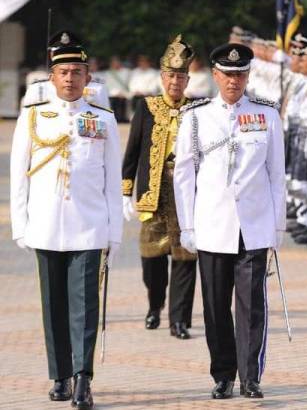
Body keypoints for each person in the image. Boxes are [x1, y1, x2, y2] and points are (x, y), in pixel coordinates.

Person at [10, 30, 122, 410]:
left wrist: (114, 232)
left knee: (85, 306)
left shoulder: (103, 120)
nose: (70, 78)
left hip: (89, 227)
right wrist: (20, 226)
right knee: (53, 305)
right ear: (52, 77)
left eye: (77, 71)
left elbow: (112, 181)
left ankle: (82, 379)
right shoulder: (32, 117)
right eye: (64, 72)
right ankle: (58, 374)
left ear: (88, 77)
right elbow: (17, 174)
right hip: (44, 226)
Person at [173, 43, 286, 399]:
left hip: (252, 226)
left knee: (252, 307)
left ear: (248, 75)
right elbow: (184, 174)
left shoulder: (266, 115)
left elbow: (276, 175)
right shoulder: (196, 117)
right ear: (215, 75)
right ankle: (223, 373)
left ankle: (250, 375)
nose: (233, 81)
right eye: (227, 74)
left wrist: (277, 226)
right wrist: (187, 226)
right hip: (212, 226)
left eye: (240, 74)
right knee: (215, 306)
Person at [121, 35, 198, 339]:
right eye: (170, 76)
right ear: (162, 77)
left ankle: (179, 320)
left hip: (185, 196)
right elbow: (132, 151)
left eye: (180, 76)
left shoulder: (197, 109)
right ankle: (155, 305)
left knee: (185, 257)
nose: (175, 82)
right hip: (153, 195)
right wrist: (127, 190)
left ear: (188, 79)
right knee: (151, 259)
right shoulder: (147, 108)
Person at [104, 55, 131, 122]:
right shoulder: (108, 73)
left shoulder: (126, 72)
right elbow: (108, 86)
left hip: (124, 93)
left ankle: (124, 118)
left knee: (124, 100)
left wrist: (122, 93)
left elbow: (129, 84)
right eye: (113, 63)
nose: (115, 64)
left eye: (117, 62)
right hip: (113, 94)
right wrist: (116, 93)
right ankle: (114, 118)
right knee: (113, 100)